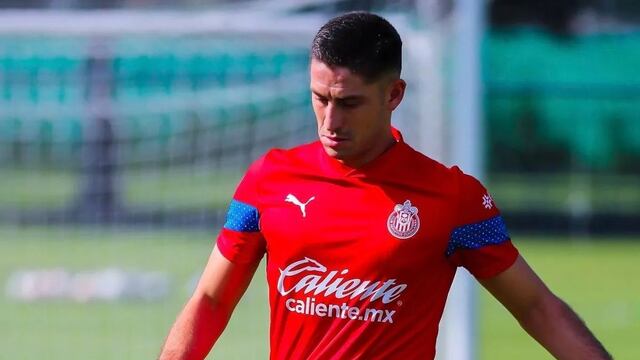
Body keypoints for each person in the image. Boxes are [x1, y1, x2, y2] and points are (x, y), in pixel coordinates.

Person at [159, 11, 611, 360]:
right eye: (321, 98)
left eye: (349, 102)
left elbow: (536, 307)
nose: (330, 121)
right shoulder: (269, 179)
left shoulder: (454, 199)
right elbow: (212, 299)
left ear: (394, 94)